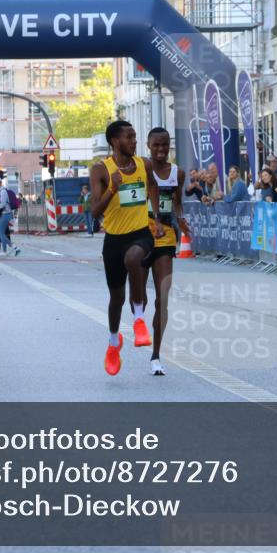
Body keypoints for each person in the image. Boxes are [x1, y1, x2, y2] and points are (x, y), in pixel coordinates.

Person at [89, 120, 164, 377]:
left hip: (141, 234)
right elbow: (95, 211)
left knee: (134, 258)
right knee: (116, 298)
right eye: (129, 137)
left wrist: (156, 218)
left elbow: (152, 186)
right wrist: (112, 188)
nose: (134, 141)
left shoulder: (144, 164)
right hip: (113, 240)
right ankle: (113, 342)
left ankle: (139, 318)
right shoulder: (101, 169)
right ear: (115, 141)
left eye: (134, 136)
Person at [142, 127, 189, 376]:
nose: (161, 150)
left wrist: (182, 221)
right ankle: (138, 317)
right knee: (140, 298)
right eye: (156, 145)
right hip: (140, 235)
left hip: (166, 238)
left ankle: (156, 356)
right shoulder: (140, 168)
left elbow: (177, 203)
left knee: (163, 298)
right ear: (148, 146)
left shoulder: (177, 173)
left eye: (164, 145)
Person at [0, 176, 20, 256]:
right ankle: (11, 248)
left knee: (0, 232)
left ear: (0, 183)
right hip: (1, 214)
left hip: (6, 214)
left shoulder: (3, 191)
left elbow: (3, 204)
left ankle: (8, 250)